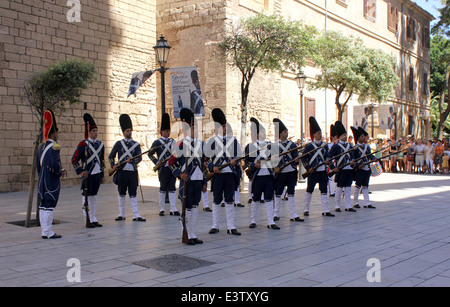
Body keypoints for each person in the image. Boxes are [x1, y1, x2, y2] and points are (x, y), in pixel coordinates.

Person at [168, 108, 206, 245]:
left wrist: (204, 182)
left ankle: (193, 233)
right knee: (187, 208)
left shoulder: (201, 144)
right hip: (187, 181)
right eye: (194, 128)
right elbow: (171, 163)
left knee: (195, 207)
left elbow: (203, 165)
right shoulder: (180, 144)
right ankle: (187, 234)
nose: (197, 131)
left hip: (197, 180)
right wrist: (179, 174)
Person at [206, 108, 242, 236]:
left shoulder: (233, 141)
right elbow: (206, 160)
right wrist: (212, 167)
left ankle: (231, 226)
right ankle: (215, 225)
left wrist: (235, 161)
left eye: (223, 126)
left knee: (229, 199)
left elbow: (239, 156)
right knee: (216, 200)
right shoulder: (211, 142)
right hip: (217, 175)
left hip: (230, 174)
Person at [109, 114, 146, 222]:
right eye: (127, 131)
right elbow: (111, 156)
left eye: (130, 130)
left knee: (133, 193)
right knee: (121, 192)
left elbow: (139, 158)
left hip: (132, 173)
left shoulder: (136, 144)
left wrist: (133, 161)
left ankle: (136, 214)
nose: (129, 132)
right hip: (122, 172)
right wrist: (113, 165)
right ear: (123, 132)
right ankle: (122, 214)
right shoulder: (119, 144)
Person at [245, 117, 279, 230]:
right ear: (258, 134)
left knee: (269, 198)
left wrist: (274, 159)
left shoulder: (270, 145)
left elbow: (275, 160)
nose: (264, 133)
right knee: (256, 199)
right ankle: (253, 220)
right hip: (257, 177)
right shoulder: (250, 147)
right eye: (262, 131)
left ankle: (270, 221)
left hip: (268, 176)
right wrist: (254, 166)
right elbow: (245, 162)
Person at [71, 113, 105, 228]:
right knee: (86, 196)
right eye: (94, 131)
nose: (96, 132)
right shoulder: (83, 144)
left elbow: (102, 161)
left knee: (94, 196)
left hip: (97, 174)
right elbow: (74, 160)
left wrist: (102, 175)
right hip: (88, 175)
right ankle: (87, 219)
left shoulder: (101, 145)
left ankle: (94, 218)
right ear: (89, 132)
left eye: (96, 130)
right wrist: (81, 171)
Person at [36, 109, 66, 239]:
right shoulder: (55, 147)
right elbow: (55, 165)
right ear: (54, 133)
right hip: (51, 181)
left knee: (43, 204)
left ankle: (44, 231)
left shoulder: (40, 148)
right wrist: (60, 173)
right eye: (57, 132)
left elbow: (38, 166)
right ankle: (48, 231)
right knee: (49, 205)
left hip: (42, 179)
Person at [301, 117, 334, 217]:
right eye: (318, 133)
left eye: (320, 133)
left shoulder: (324, 145)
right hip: (313, 171)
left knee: (324, 190)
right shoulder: (309, 146)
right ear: (314, 135)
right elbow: (303, 158)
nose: (320, 135)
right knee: (309, 190)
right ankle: (306, 209)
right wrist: (308, 168)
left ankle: (325, 209)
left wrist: (328, 161)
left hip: (322, 171)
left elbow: (327, 155)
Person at [272, 118, 303, 221]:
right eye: (285, 131)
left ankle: (293, 214)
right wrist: (275, 167)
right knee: (278, 193)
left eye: (287, 131)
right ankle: (276, 214)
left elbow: (295, 156)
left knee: (291, 193)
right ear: (280, 133)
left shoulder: (292, 145)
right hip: (281, 173)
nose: (287, 133)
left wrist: (296, 159)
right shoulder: (274, 146)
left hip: (291, 172)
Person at [148, 113, 179, 216]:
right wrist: (157, 162)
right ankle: (161, 208)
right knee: (162, 188)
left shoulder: (172, 141)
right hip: (163, 168)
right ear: (162, 132)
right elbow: (150, 154)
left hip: (171, 167)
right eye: (166, 131)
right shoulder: (157, 143)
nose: (168, 132)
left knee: (172, 187)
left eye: (169, 130)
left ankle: (173, 208)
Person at [329, 121, 356, 212]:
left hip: (349, 169)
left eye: (346, 134)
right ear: (340, 136)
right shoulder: (336, 146)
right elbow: (328, 158)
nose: (345, 136)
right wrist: (333, 168)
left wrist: (352, 161)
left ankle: (348, 205)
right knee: (339, 188)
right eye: (343, 135)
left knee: (348, 187)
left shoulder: (349, 146)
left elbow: (352, 156)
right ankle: (337, 205)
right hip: (340, 170)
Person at [352, 127, 376, 209]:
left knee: (366, 186)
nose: (363, 137)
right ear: (358, 138)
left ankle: (367, 202)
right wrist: (358, 166)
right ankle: (355, 202)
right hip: (359, 169)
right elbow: (353, 159)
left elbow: (369, 155)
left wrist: (374, 158)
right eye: (362, 136)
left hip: (367, 168)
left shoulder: (367, 147)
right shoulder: (355, 148)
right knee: (358, 185)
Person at [327, 124, 338, 197]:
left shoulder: (337, 145)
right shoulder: (329, 145)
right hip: (331, 162)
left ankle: (335, 190)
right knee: (330, 178)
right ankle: (331, 191)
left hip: (336, 162)